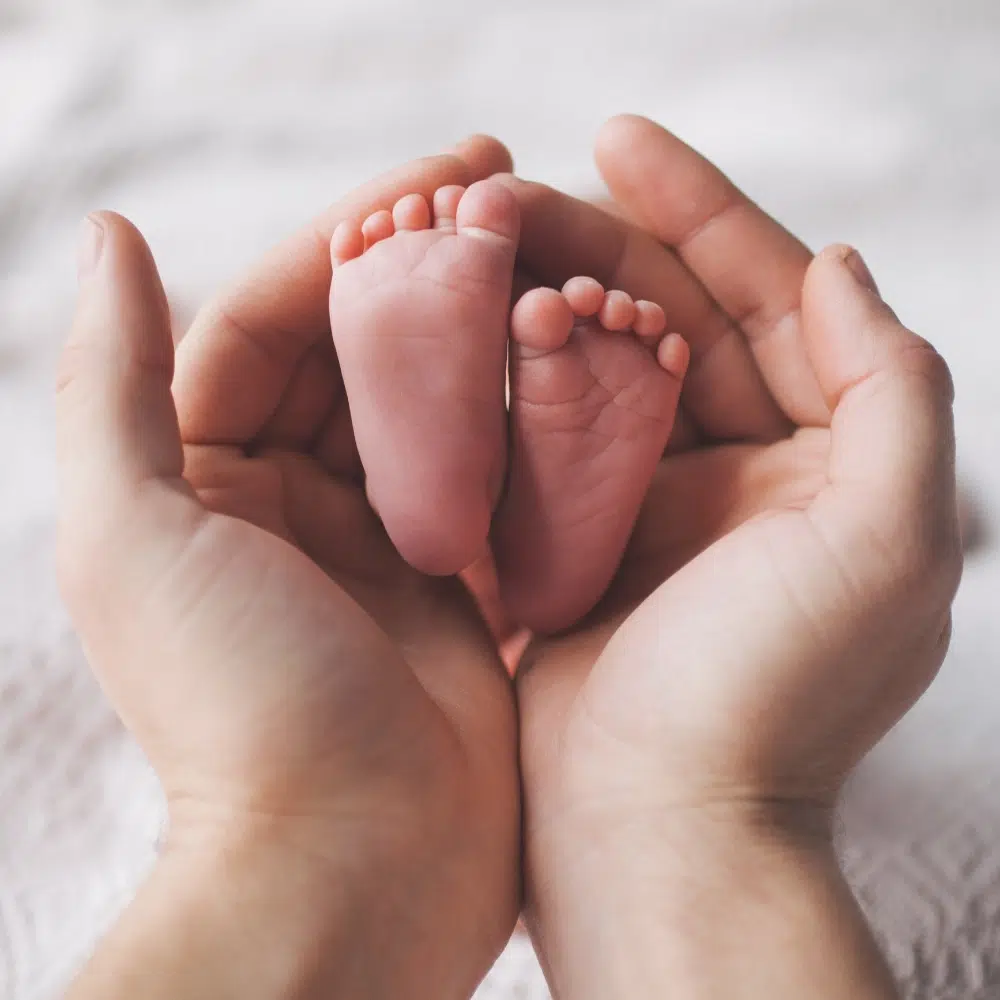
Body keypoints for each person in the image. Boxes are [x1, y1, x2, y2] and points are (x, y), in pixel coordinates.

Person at [57, 116, 961, 1000]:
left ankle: (440, 507)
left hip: (365, 597)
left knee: (428, 463)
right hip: (638, 600)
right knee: (616, 398)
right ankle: (538, 545)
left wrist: (305, 819)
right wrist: (687, 809)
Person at [329, 179, 688, 633]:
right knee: (606, 300)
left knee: (433, 489)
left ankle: (425, 502)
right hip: (592, 635)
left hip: (402, 619)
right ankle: (549, 570)